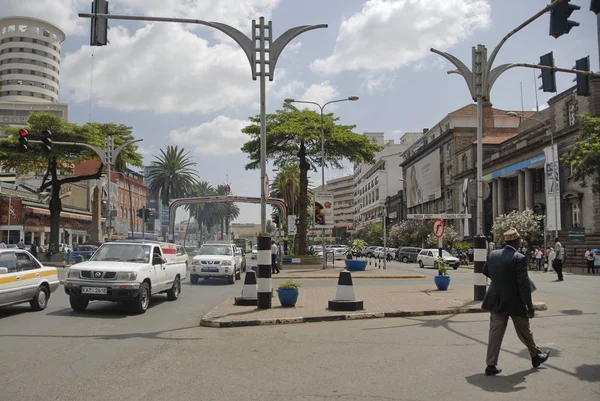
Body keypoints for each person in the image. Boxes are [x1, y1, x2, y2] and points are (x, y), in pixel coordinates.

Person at [482, 228, 549, 376]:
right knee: (524, 330)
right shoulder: (519, 258)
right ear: (516, 241)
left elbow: (485, 271)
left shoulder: (493, 255)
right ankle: (535, 355)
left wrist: (499, 280)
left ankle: (490, 365)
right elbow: (523, 285)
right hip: (515, 302)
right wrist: (529, 307)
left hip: (496, 300)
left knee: (495, 332)